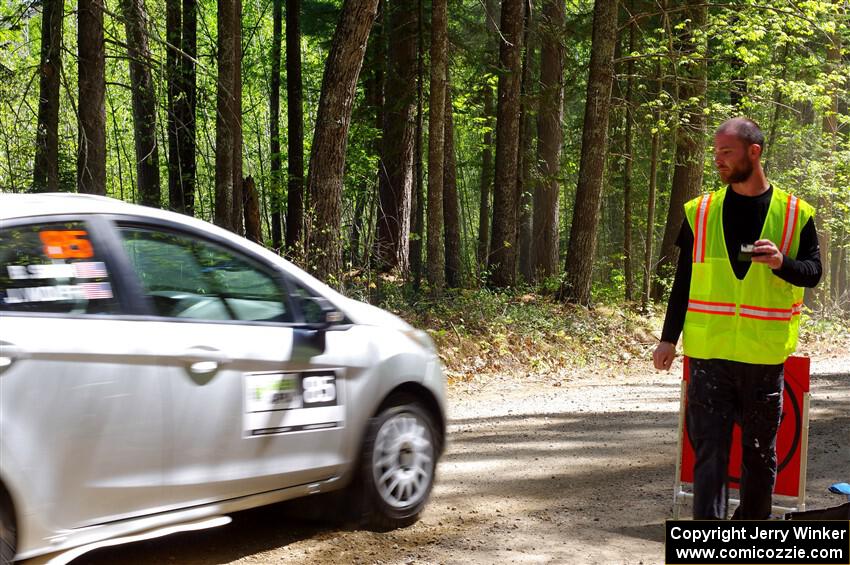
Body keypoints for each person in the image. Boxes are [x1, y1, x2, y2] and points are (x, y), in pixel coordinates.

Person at [653, 117, 822, 520]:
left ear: (754, 152)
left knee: (759, 457)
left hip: (763, 359)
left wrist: (782, 263)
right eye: (716, 154)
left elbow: (813, 273)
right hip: (710, 355)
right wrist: (667, 339)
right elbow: (684, 282)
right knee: (708, 453)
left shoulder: (795, 213)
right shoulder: (701, 211)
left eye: (726, 152)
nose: (719, 161)